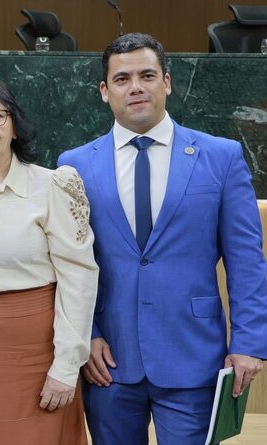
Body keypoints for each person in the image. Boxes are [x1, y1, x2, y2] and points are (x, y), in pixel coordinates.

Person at [58, 33, 267, 444]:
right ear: (104, 91)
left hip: (193, 357)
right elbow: (66, 265)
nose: (135, 86)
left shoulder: (221, 157)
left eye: (147, 75)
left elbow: (247, 261)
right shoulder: (74, 165)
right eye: (121, 79)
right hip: (107, 362)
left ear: (167, 82)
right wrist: (88, 335)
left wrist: (249, 342)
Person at [0, 78, 98, 444]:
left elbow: (79, 279)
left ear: (14, 124)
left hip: (37, 351)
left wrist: (67, 366)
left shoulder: (54, 185)